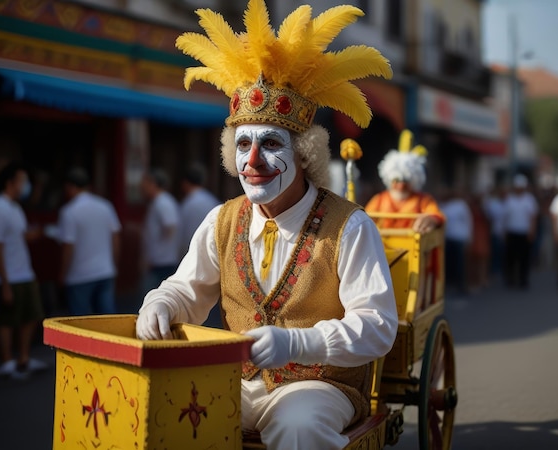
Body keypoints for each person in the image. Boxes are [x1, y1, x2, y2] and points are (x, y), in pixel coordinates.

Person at [135, 1, 398, 448]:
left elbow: (377, 326)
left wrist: (298, 345)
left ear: (306, 154)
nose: (252, 161)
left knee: (298, 426)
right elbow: (187, 289)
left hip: (322, 386)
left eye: (270, 143)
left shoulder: (350, 227)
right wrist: (159, 303)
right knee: (170, 408)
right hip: (235, 378)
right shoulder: (222, 219)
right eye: (242, 145)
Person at [0, 162, 47, 379]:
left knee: (31, 315)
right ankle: (7, 362)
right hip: (8, 276)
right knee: (7, 320)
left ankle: (23, 358)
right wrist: (4, 283)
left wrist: (34, 235)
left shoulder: (16, 208)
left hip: (25, 273)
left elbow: (18, 236)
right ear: (10, 183)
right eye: (22, 181)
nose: (25, 186)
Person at [57, 168, 121, 315]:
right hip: (105, 271)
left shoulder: (69, 212)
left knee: (80, 323)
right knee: (107, 320)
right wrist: (114, 265)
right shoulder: (106, 206)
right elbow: (116, 239)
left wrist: (63, 273)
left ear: (70, 187)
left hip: (79, 275)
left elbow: (68, 246)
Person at [365, 130, 444, 232]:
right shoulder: (379, 200)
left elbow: (436, 215)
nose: (401, 185)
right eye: (396, 180)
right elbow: (366, 219)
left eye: (406, 180)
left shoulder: (424, 201)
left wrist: (431, 220)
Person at [139, 168, 181, 293]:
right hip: (160, 260)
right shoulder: (159, 201)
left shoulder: (163, 202)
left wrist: (158, 251)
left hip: (161, 263)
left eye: (145, 183)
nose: (142, 186)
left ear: (153, 183)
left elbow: (170, 227)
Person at [502, 174, 538, 289]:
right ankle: (511, 279)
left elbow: (533, 217)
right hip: (512, 232)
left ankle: (523, 280)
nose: (519, 189)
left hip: (524, 233)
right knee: (510, 258)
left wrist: (531, 231)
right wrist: (504, 231)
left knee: (524, 258)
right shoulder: (509, 199)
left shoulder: (529, 199)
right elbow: (505, 217)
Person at [179, 164, 220, 255]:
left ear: (185, 183)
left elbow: (182, 234)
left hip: (192, 251)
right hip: (213, 251)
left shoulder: (188, 203)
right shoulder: (212, 200)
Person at [440, 187, 473, 296]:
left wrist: (469, 237)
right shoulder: (445, 205)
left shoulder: (461, 205)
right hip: (448, 238)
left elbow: (468, 221)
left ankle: (461, 285)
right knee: (449, 263)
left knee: (460, 264)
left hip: (459, 238)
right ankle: (449, 284)